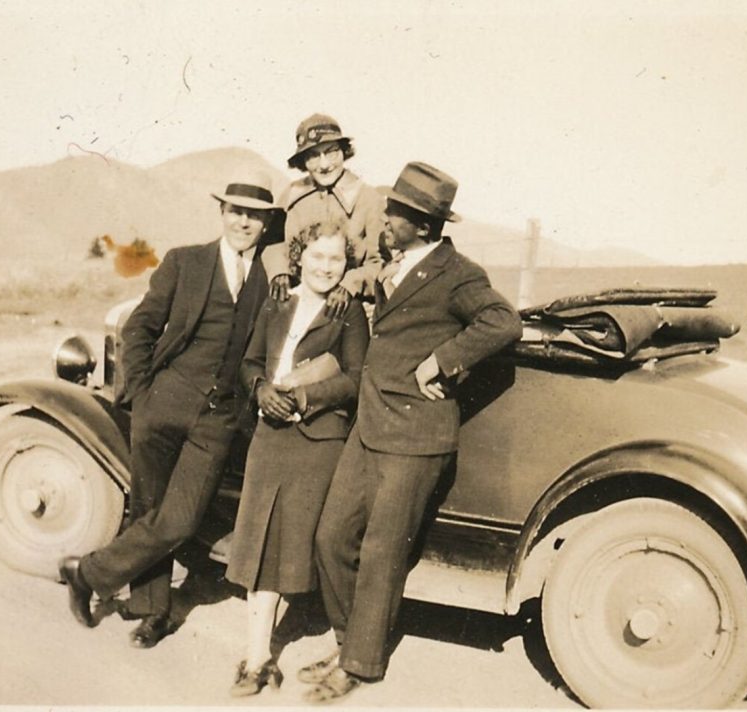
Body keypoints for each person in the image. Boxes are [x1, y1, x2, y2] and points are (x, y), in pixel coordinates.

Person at [301, 162, 523, 702]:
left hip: (417, 436)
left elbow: (503, 321)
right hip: (373, 424)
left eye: (395, 213)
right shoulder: (394, 264)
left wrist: (443, 362)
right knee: (331, 538)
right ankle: (348, 638)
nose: (386, 218)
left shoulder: (458, 272)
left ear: (423, 225)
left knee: (380, 552)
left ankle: (359, 663)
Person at [57, 171, 281, 649]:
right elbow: (139, 328)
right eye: (236, 211)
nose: (243, 222)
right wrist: (139, 395)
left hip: (219, 419)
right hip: (162, 405)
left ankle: (88, 573)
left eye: (254, 216)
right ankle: (152, 612)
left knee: (178, 520)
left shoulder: (270, 278)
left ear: (266, 224)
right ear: (222, 213)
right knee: (149, 511)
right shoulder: (186, 262)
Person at [223, 218, 370, 696]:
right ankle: (257, 657)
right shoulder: (277, 301)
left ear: (346, 265)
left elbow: (354, 378)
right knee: (260, 545)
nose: (326, 267)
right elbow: (248, 362)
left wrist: (306, 400)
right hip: (269, 438)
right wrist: (262, 389)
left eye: (336, 259)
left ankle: (346, 649)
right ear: (299, 257)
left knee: (308, 546)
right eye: (318, 256)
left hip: (317, 443)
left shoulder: (349, 313)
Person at [264, 113, 387, 316]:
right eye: (313, 156)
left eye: (331, 153)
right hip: (296, 303)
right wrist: (279, 270)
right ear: (303, 161)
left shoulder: (369, 199)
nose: (323, 165)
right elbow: (273, 242)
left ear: (344, 152)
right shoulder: (291, 195)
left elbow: (379, 262)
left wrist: (350, 284)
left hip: (348, 308)